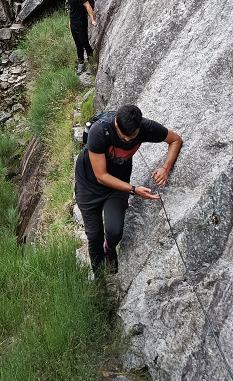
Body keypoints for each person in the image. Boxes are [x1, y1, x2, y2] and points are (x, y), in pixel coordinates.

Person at [74, 104, 183, 273]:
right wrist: (133, 189)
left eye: (132, 137)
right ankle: (99, 277)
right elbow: (101, 176)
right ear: (116, 123)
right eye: (123, 137)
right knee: (94, 236)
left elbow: (175, 140)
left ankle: (110, 248)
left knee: (115, 230)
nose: (127, 141)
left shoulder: (146, 128)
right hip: (88, 185)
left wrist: (165, 168)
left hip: (117, 184)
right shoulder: (99, 131)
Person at [61, 0, 97, 74]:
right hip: (74, 23)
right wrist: (70, 21)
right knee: (78, 44)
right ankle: (81, 63)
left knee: (85, 43)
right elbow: (73, 9)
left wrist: (92, 19)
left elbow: (88, 6)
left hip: (81, 23)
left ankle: (91, 63)